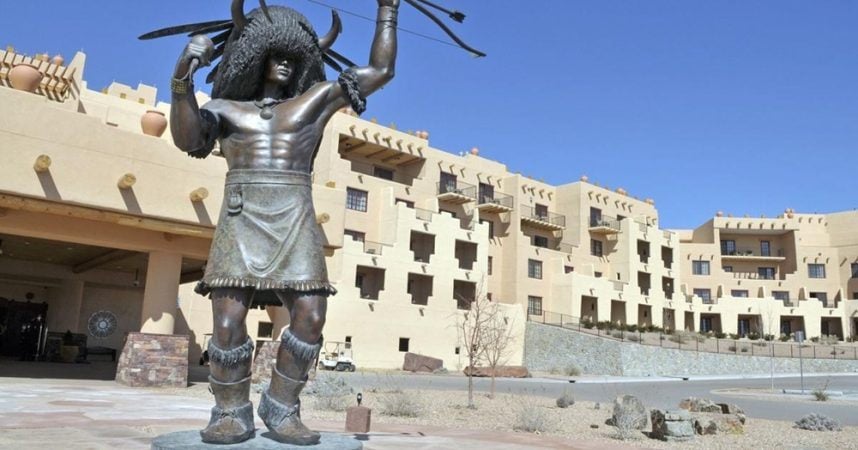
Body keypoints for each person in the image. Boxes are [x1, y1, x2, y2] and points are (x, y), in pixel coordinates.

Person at [169, 0, 399, 444]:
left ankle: (281, 407)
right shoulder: (225, 109)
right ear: (253, 56)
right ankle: (229, 412)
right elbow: (187, 138)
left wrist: (388, 9)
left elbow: (379, 70)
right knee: (226, 324)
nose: (284, 64)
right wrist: (183, 79)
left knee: (311, 316)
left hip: (295, 212)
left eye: (292, 58)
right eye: (275, 55)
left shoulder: (313, 102)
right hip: (241, 213)